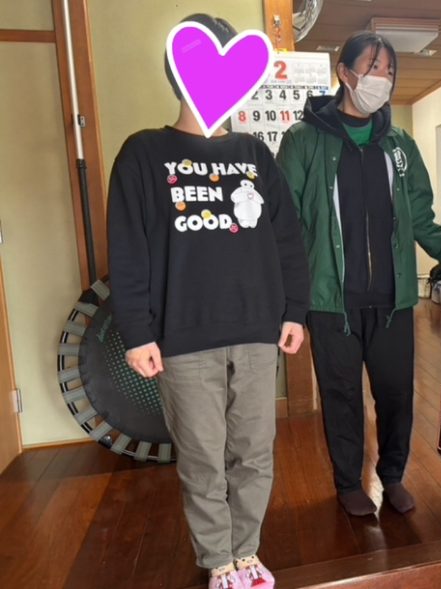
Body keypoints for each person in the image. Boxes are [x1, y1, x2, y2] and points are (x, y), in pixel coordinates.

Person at [107, 14, 310, 589]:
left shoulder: (254, 153)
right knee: (201, 458)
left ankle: (246, 552)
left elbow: (288, 238)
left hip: (256, 331)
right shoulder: (143, 153)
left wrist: (295, 310)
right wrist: (137, 332)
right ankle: (218, 559)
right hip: (183, 337)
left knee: (254, 452)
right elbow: (128, 249)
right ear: (177, 72)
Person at [277, 32, 441, 517]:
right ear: (345, 73)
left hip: (392, 301)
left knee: (395, 396)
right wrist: (291, 302)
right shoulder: (304, 140)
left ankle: (392, 476)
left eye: (389, 70)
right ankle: (349, 482)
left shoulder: (399, 144)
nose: (382, 78)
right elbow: (286, 224)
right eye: (372, 67)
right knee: (341, 397)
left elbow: (422, 217)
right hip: (331, 302)